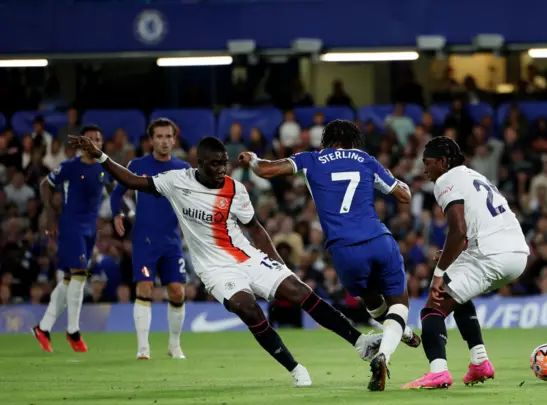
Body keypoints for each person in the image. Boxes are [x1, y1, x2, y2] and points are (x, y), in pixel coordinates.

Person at [69, 134, 383, 387]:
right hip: (214, 268)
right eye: (215, 165)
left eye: (225, 163)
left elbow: (255, 229)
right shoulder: (176, 181)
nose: (222, 169)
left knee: (301, 292)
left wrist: (278, 263)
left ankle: (361, 343)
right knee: (247, 308)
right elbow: (131, 180)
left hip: (246, 257)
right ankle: (296, 368)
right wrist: (100, 156)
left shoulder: (236, 189)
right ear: (199, 164)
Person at [237, 119, 421, 392]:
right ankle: (388, 349)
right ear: (353, 141)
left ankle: (399, 332)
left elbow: (267, 170)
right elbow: (404, 196)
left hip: (344, 250)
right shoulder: (365, 159)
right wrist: (391, 177)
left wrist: (252, 159)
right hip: (379, 240)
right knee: (399, 304)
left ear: (326, 140)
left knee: (371, 300)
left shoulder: (311, 159)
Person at [401, 136, 530, 390]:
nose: (424, 169)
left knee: (432, 308)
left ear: (442, 161)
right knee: (458, 294)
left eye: (427, 163)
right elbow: (471, 229)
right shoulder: (474, 176)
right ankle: (479, 362)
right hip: (517, 254)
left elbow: (458, 231)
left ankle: (438, 372)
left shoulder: (445, 180)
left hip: (490, 254)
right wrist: (455, 254)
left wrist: (440, 272)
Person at [110, 118, 190, 360]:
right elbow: (117, 192)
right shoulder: (138, 164)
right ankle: (143, 348)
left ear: (174, 140)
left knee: (177, 291)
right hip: (144, 239)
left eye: (168, 137)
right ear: (151, 140)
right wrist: (117, 214)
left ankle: (174, 345)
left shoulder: (184, 168)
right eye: (160, 137)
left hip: (171, 240)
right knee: (144, 287)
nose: (164, 141)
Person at [32, 125, 116, 353]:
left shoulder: (103, 167)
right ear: (81, 143)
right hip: (71, 227)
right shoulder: (70, 167)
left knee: (70, 279)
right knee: (79, 276)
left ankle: (43, 327)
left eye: (98, 138)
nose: (94, 142)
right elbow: (45, 185)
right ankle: (73, 332)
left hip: (90, 230)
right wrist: (50, 215)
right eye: (89, 139)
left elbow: (114, 189)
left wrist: (121, 213)